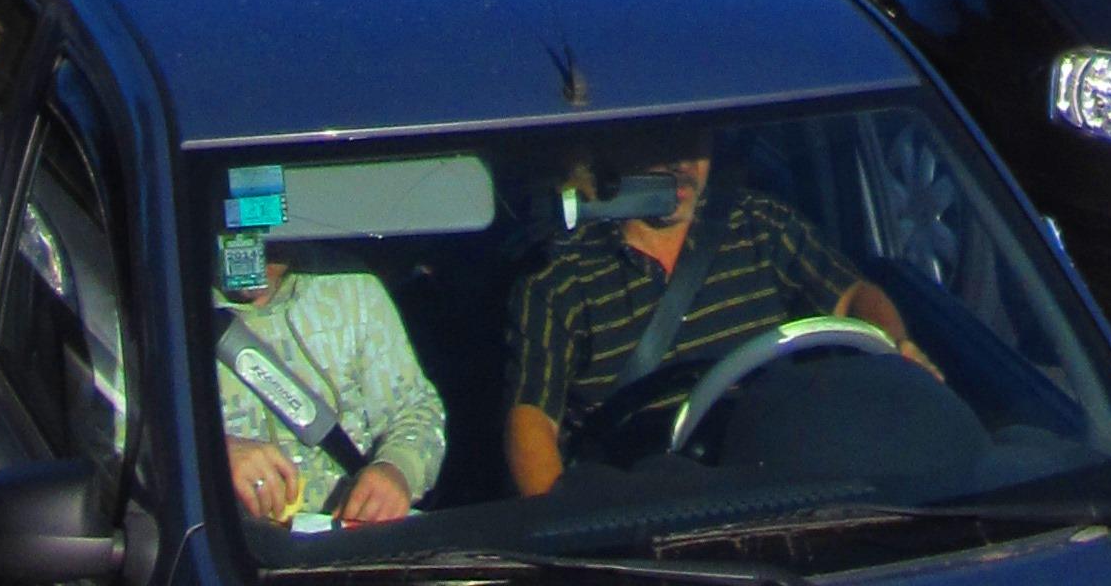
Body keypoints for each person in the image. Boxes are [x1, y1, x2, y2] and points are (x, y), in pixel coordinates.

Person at [505, 149, 911, 496]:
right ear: (617, 148)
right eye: (662, 142)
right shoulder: (558, 276)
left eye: (693, 141)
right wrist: (573, 538)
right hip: (641, 514)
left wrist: (897, 351)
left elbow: (854, 296)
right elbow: (531, 420)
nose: (682, 162)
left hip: (783, 490)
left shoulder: (761, 226)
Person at [214, 244, 447, 532]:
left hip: (352, 545)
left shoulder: (350, 286)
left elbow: (415, 409)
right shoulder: (162, 303)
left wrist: (397, 470)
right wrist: (213, 454)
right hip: (229, 552)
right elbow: (144, 440)